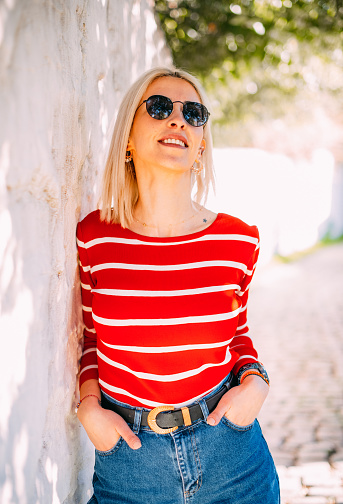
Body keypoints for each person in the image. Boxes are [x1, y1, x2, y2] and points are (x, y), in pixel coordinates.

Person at [76, 66, 280, 504]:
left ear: (201, 143)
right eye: (160, 107)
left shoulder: (238, 239)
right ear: (129, 136)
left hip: (233, 459)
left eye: (194, 113)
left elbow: (237, 335)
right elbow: (91, 339)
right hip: (130, 465)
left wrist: (257, 382)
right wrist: (89, 407)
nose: (178, 120)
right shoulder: (95, 237)